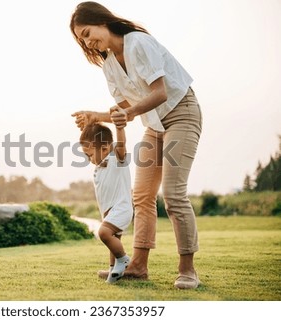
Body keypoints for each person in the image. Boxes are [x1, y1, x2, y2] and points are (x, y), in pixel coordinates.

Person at [70, 2, 202, 289]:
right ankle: (138, 267)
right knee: (141, 196)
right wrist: (97, 115)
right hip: (154, 126)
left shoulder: (139, 42)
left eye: (88, 33)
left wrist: (129, 113)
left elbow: (160, 92)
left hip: (181, 113)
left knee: (173, 194)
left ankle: (188, 270)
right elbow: (127, 106)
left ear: (102, 21)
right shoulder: (108, 66)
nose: (88, 42)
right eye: (83, 40)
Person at [79, 115, 132, 283]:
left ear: (104, 149)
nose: (89, 160)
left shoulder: (116, 158)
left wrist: (119, 127)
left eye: (89, 155)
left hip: (122, 208)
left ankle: (123, 259)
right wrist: (89, 128)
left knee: (103, 232)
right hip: (111, 210)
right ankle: (113, 270)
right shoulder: (99, 167)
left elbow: (121, 144)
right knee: (113, 240)